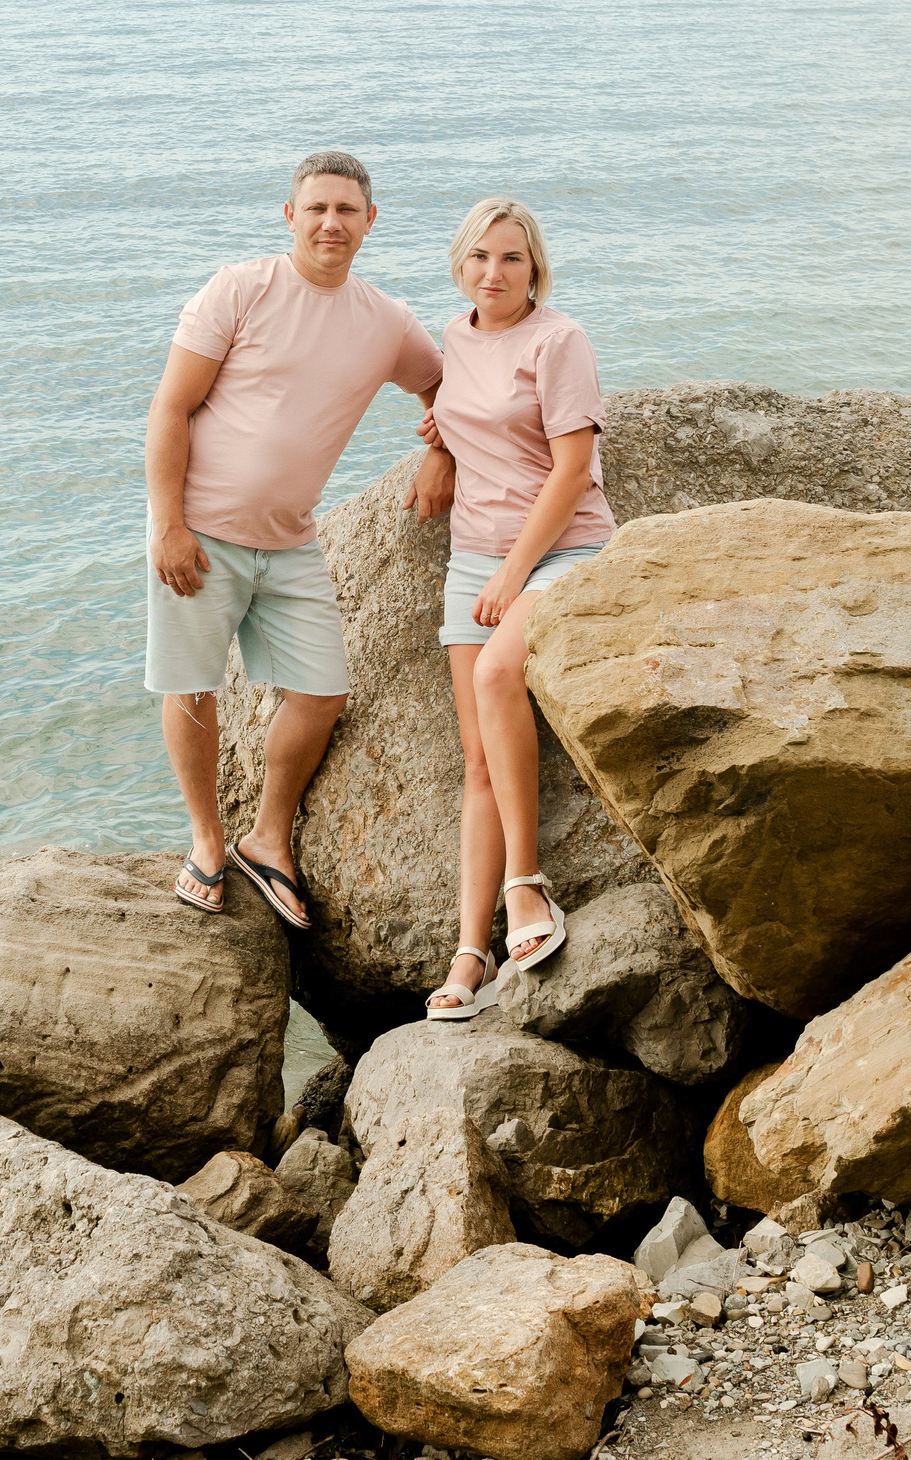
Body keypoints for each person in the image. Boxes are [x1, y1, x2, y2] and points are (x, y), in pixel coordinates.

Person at [145, 151, 455, 925]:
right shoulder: (240, 289)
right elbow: (171, 407)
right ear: (290, 216)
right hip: (201, 533)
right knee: (191, 686)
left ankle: (266, 837)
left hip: (289, 542)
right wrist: (169, 524)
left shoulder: (386, 322)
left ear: (370, 221)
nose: (330, 223)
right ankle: (207, 840)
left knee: (321, 695)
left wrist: (442, 450)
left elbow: (447, 385)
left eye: (347, 210)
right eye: (316, 208)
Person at [418, 197, 616, 1020]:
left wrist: (515, 573)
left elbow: (572, 470)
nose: (493, 273)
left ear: (535, 267)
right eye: (479, 257)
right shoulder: (454, 336)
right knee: (476, 759)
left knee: (500, 674)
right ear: (459, 264)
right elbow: (458, 409)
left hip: (564, 550)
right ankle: (471, 953)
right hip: (472, 556)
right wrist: (434, 449)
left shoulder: (559, 340)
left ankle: (526, 887)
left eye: (510, 258)